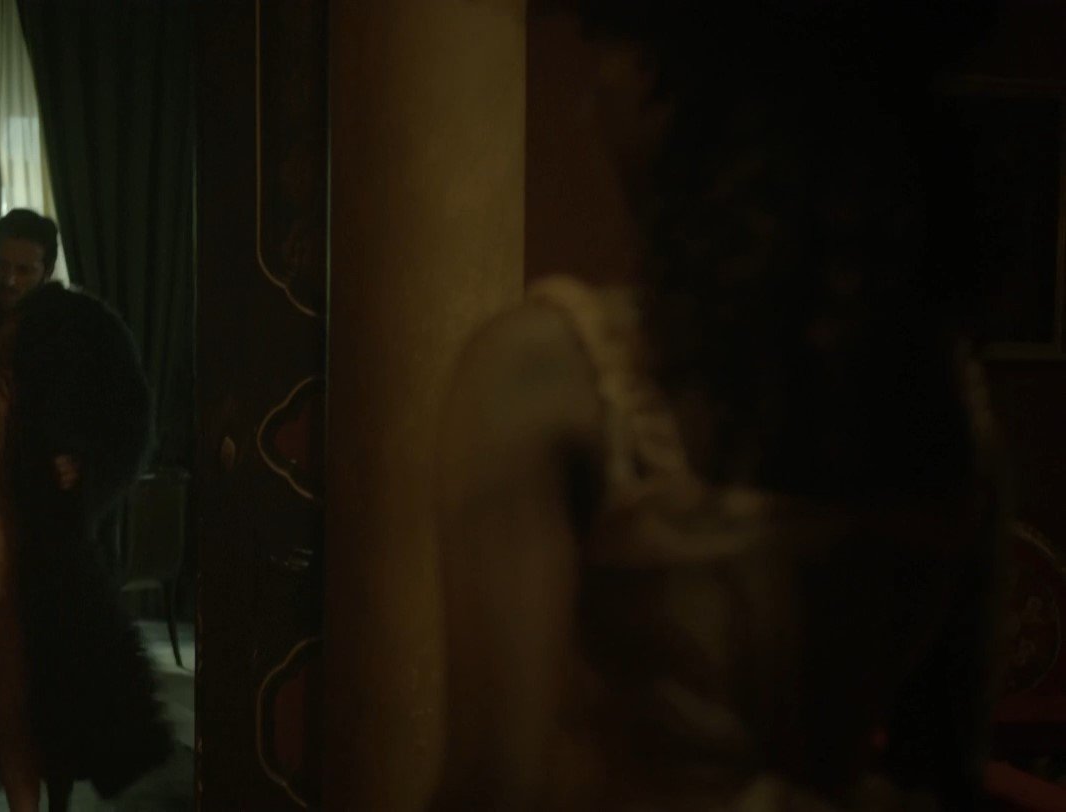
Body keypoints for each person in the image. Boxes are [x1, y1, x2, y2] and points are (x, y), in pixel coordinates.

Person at [430, 3, 1011, 810]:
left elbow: (493, 789)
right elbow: (947, 769)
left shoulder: (551, 374)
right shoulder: (944, 393)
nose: (590, 105)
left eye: (618, 54)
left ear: (687, 83)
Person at [0, 210, 172, 811]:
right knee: (9, 713)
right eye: (0, 266)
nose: (8, 279)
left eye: (22, 270)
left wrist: (85, 465)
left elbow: (124, 419)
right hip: (2, 547)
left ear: (47, 269)